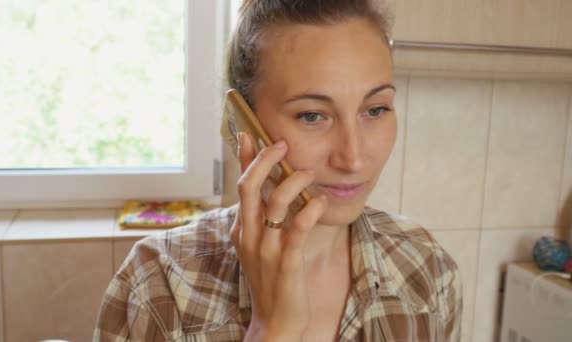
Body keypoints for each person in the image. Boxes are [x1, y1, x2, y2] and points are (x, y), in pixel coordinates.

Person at [93, 0, 462, 341]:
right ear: (244, 123)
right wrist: (272, 329)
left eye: (376, 110)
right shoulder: (159, 283)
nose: (354, 159)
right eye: (312, 115)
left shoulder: (426, 268)